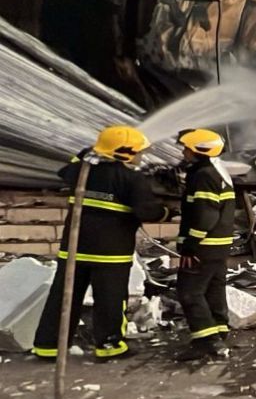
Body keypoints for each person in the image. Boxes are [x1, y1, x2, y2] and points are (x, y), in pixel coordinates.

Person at [32, 126, 172, 360]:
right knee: (110, 299)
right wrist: (167, 212)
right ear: (124, 153)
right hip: (110, 253)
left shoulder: (80, 170)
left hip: (75, 248)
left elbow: (65, 169)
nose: (141, 156)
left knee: (63, 296)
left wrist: (89, 152)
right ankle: (110, 346)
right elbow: (147, 211)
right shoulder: (131, 179)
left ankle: (48, 345)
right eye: (138, 152)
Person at [174, 128, 236, 362]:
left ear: (199, 151)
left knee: (189, 292)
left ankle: (205, 342)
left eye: (186, 148)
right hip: (219, 246)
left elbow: (205, 215)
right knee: (213, 289)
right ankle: (219, 331)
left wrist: (191, 243)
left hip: (204, 245)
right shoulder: (218, 171)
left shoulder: (203, 175)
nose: (183, 152)